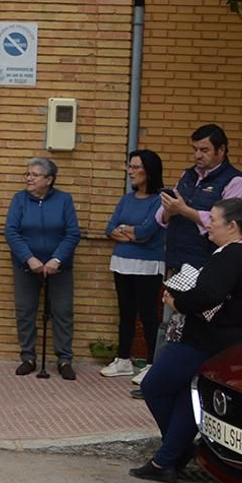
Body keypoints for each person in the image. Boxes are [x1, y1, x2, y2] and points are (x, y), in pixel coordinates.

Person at [131, 198, 242, 483]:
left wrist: (177, 302)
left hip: (203, 340)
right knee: (186, 399)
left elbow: (207, 295)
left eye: (213, 221)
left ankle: (175, 453)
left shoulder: (228, 255)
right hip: (230, 341)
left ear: (232, 226)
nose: (208, 227)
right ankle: (166, 461)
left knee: (154, 386)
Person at [141, 124, 242, 393]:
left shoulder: (234, 180)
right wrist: (170, 210)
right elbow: (161, 217)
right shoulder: (188, 175)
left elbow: (231, 223)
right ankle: (159, 378)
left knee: (196, 324)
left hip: (206, 263)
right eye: (195, 149)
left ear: (221, 150)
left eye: (204, 150)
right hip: (177, 259)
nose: (198, 155)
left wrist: (184, 210)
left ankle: (194, 382)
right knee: (168, 321)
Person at [4, 156, 82, 379]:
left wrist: (56, 259)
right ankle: (28, 357)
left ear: (49, 179)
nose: (28, 178)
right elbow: (11, 231)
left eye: (34, 175)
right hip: (27, 267)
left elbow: (72, 233)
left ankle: (64, 360)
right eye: (27, 174)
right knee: (25, 311)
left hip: (59, 268)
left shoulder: (64, 200)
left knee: (62, 311)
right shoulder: (19, 200)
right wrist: (29, 258)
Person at [99, 149, 165, 377]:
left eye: (136, 167)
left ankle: (152, 364)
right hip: (121, 262)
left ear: (150, 170)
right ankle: (123, 359)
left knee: (148, 314)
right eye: (130, 166)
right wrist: (132, 233)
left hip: (148, 265)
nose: (131, 171)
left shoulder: (159, 200)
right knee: (126, 313)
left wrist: (128, 232)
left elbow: (147, 232)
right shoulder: (126, 199)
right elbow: (110, 228)